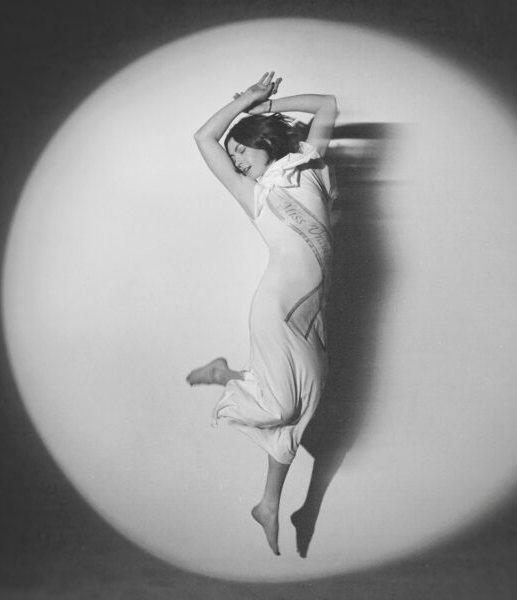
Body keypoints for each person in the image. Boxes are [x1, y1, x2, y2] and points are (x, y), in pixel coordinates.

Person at [186, 72, 338, 555]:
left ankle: (270, 504)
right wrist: (246, 101)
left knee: (305, 402)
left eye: (241, 151)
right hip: (275, 305)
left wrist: (264, 108)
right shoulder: (254, 193)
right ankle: (225, 374)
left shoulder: (309, 163)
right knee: (281, 407)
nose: (235, 160)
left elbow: (327, 103)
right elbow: (204, 138)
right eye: (232, 156)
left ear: (263, 142)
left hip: (314, 308)